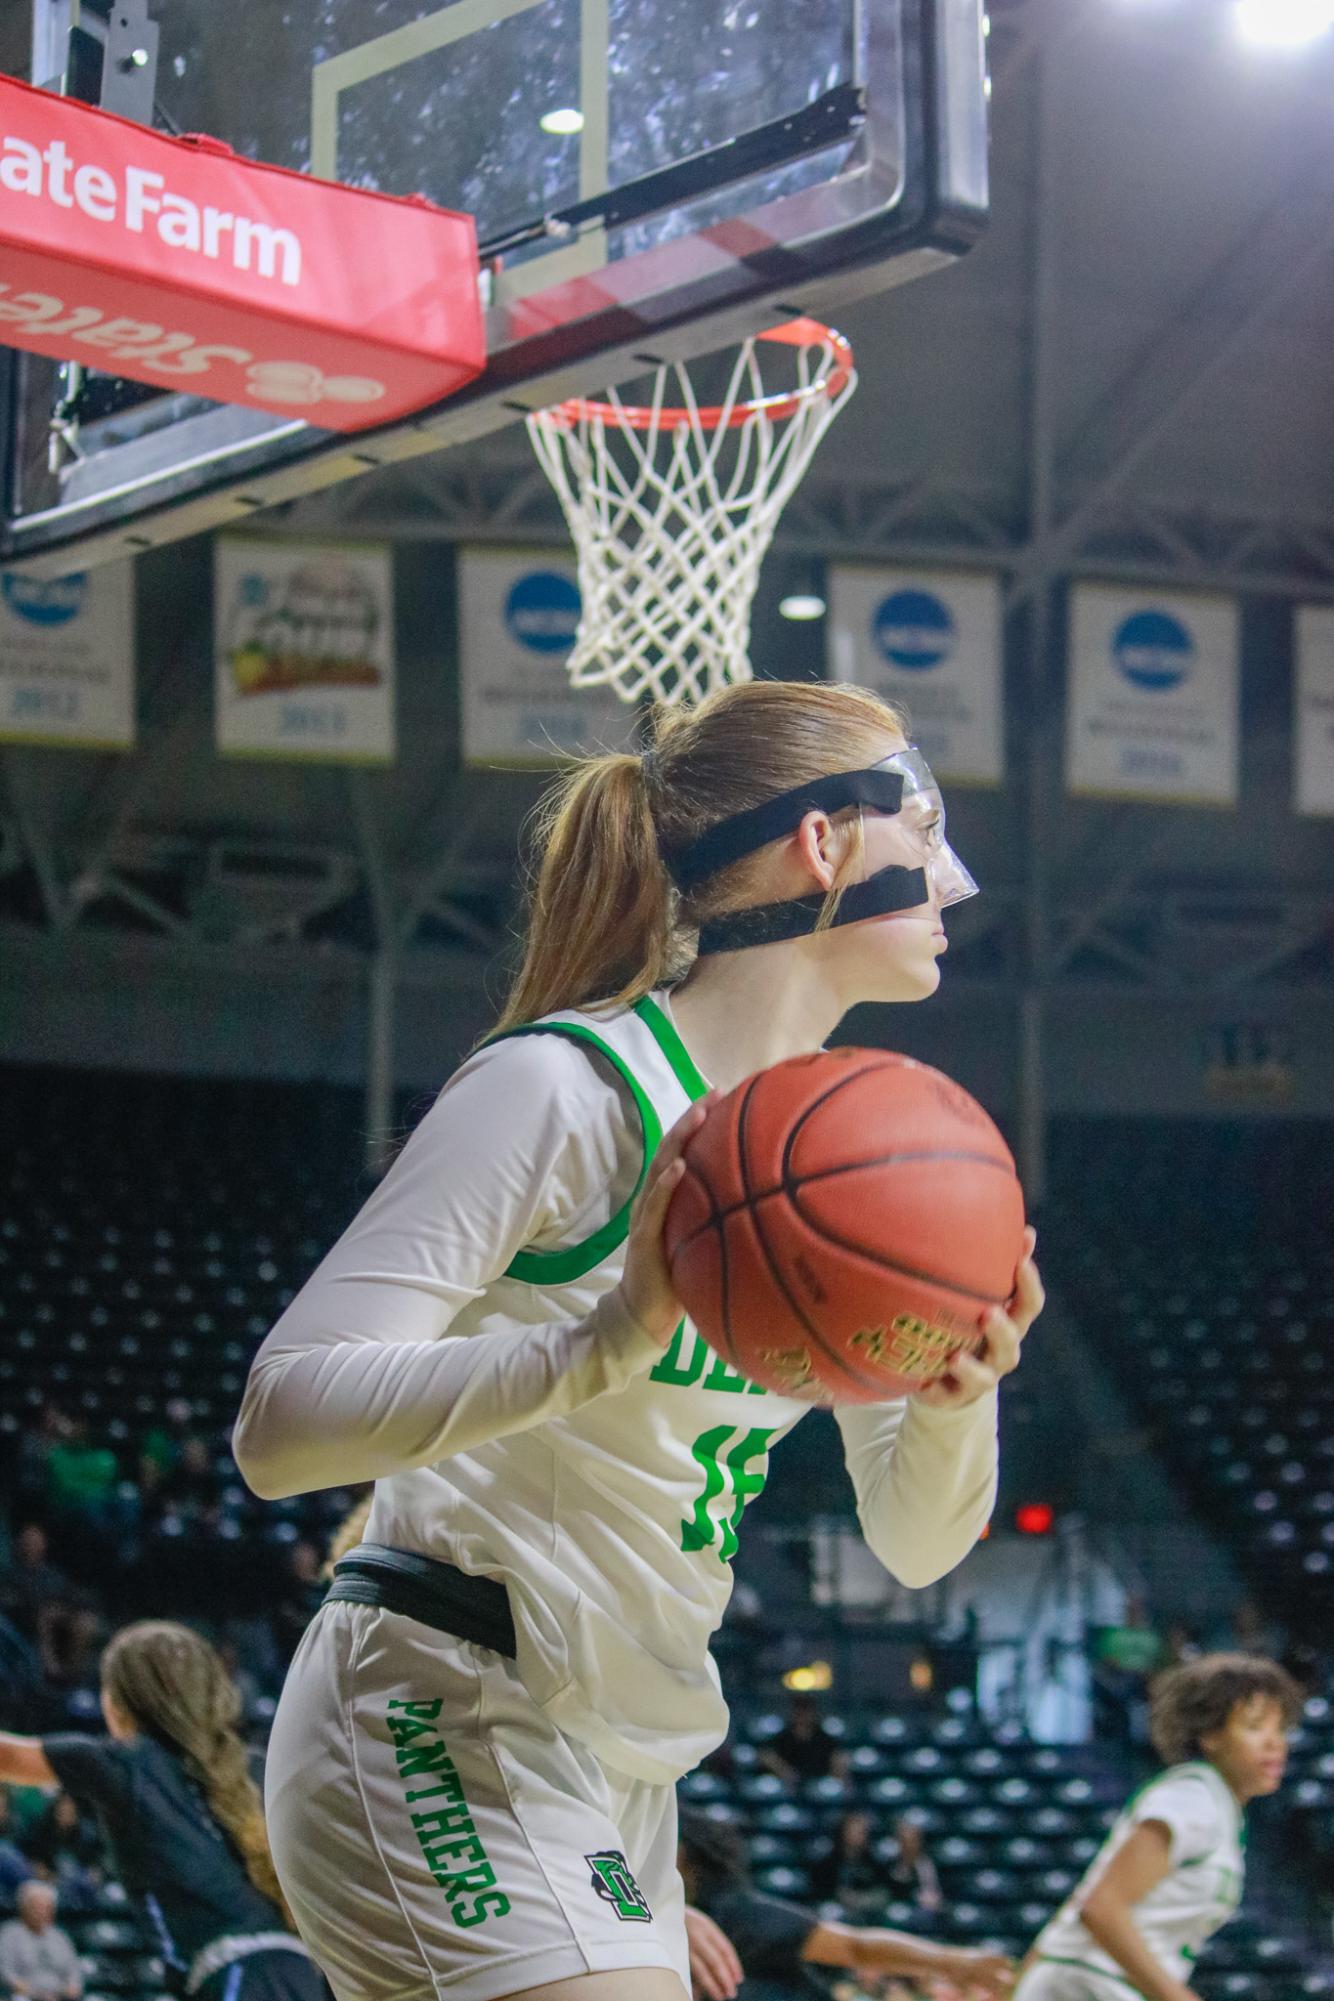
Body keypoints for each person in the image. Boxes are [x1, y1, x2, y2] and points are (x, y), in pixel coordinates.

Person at [233, 680, 1044, 2001]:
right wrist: (602, 1342)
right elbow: (282, 1425)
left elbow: (912, 1541)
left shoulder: (845, 1161)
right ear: (822, 842)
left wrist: (958, 1393)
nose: (949, 877)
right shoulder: (563, 1088)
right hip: (445, 1694)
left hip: (620, 1754)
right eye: (922, 820)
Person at [0, 1622, 324, 2001]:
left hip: (237, 1977)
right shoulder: (254, 1767)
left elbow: (7, 1756)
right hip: (300, 1972)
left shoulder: (121, 1765)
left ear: (119, 1703)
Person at [1013, 1653, 1300, 2001]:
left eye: (1280, 1729)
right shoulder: (1192, 1798)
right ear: (1210, 1734)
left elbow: (1084, 1901)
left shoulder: (1217, 1805)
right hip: (1087, 1984)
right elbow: (1101, 1907)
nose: (1275, 1743)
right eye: (1255, 1727)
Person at [677, 1808, 1010, 2000]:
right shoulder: (647, 1922)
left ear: (689, 1857)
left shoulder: (736, 1913)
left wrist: (951, 1960)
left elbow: (855, 1947)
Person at [0, 1880, 82, 2001]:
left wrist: (73, 1985)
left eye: (47, 1908)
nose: (42, 1912)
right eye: (37, 1907)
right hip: (25, 1995)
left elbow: (73, 1969)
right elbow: (4, 1971)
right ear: (24, 1908)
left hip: (59, 1996)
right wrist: (34, 1993)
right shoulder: (9, 1933)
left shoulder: (59, 1936)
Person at [759, 1696, 849, 1791]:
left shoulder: (823, 1738)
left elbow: (838, 1757)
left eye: (806, 1711)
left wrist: (835, 1775)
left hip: (820, 1783)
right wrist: (784, 1771)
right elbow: (766, 1755)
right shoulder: (783, 1737)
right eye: (799, 1711)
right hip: (789, 1784)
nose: (803, 1716)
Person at [884, 1818, 942, 1919]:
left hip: (918, 1907)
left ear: (919, 1842)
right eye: (904, 1841)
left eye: (912, 1841)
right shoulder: (890, 1864)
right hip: (893, 1906)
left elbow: (931, 1892)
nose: (908, 1846)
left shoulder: (925, 1865)